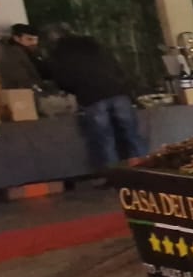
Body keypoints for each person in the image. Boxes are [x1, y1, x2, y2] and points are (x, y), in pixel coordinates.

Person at [46, 26, 146, 171]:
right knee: (132, 134)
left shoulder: (61, 54)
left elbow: (63, 79)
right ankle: (144, 169)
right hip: (117, 91)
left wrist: (73, 90)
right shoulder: (95, 46)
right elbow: (117, 67)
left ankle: (115, 174)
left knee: (105, 139)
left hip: (91, 96)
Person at [0, 22, 47, 90]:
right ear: (17, 38)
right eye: (29, 39)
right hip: (23, 93)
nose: (35, 42)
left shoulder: (29, 52)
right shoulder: (12, 55)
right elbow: (23, 81)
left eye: (36, 39)